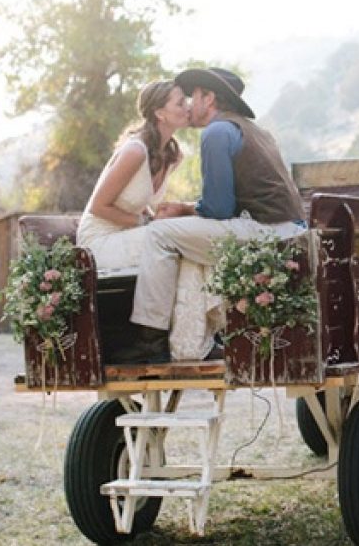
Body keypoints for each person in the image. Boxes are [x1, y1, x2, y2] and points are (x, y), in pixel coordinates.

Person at [118, 67, 307, 364]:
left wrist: (182, 209)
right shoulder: (254, 130)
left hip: (267, 233)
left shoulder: (218, 131)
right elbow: (229, 203)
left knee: (159, 234)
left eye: (192, 97)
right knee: (187, 239)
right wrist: (187, 210)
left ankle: (150, 339)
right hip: (289, 230)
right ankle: (196, 338)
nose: (190, 106)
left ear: (209, 98)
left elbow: (218, 210)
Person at [76, 80, 187, 268]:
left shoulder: (173, 156)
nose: (188, 107)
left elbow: (136, 198)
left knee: (188, 237)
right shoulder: (135, 152)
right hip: (99, 242)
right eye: (180, 103)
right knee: (176, 239)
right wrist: (147, 222)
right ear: (160, 113)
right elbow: (98, 207)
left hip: (130, 235)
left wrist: (157, 216)